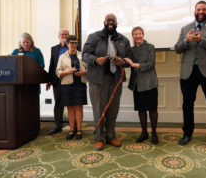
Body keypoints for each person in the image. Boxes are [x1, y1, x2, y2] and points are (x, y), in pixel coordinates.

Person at [174, 1, 206, 149]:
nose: (201, 12)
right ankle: (187, 134)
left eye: (203, 9)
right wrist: (186, 40)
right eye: (198, 9)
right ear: (194, 11)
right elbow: (177, 48)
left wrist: (202, 40)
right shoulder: (185, 28)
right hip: (188, 72)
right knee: (187, 105)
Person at [82, 13, 132, 150]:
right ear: (104, 22)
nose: (111, 22)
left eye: (113, 21)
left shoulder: (123, 40)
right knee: (99, 110)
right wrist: (95, 60)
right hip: (98, 80)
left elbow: (129, 59)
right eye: (108, 20)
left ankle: (110, 136)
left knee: (113, 110)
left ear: (116, 23)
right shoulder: (94, 37)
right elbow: (85, 55)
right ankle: (99, 138)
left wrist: (122, 61)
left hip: (116, 80)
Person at [125, 26, 159, 144]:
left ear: (143, 35)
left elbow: (150, 63)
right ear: (133, 37)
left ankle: (154, 133)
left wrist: (136, 65)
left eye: (140, 33)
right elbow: (126, 63)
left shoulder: (150, 47)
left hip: (150, 83)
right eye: (135, 34)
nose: (138, 36)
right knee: (141, 110)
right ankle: (144, 133)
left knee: (152, 109)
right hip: (137, 84)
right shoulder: (131, 50)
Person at [56, 35, 87, 140]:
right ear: (67, 44)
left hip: (80, 84)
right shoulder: (62, 57)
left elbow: (89, 69)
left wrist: (84, 72)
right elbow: (58, 72)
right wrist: (67, 71)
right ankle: (71, 130)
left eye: (75, 43)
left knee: (79, 107)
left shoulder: (82, 55)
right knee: (70, 108)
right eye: (71, 43)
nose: (74, 45)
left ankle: (79, 129)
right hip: (67, 84)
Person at [46, 29, 69, 135]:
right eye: (62, 34)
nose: (64, 36)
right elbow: (52, 65)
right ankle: (58, 126)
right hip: (57, 80)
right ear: (58, 36)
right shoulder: (54, 49)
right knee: (58, 104)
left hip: (70, 79)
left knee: (71, 103)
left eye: (66, 34)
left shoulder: (73, 47)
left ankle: (75, 126)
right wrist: (49, 80)